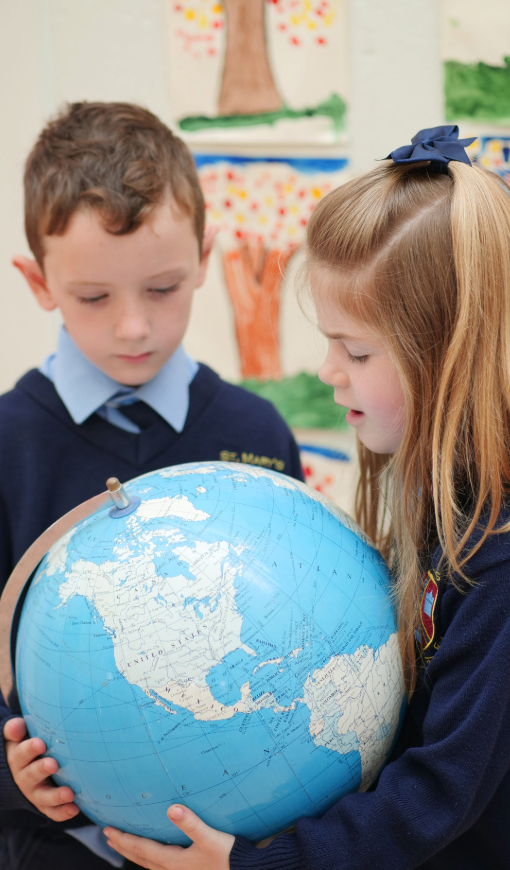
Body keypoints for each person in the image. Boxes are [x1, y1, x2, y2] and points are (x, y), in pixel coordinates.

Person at [103, 126, 510, 870]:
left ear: (449, 359)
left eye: (357, 351)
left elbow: (438, 790)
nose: (326, 370)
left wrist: (249, 866)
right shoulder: (459, 497)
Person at [0, 101, 303, 870]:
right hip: (52, 845)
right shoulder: (8, 442)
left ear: (204, 257)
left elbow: (293, 632)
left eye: (163, 289)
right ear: (37, 281)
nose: (133, 328)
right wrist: (10, 779)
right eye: (94, 298)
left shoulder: (260, 433)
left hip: (234, 840)